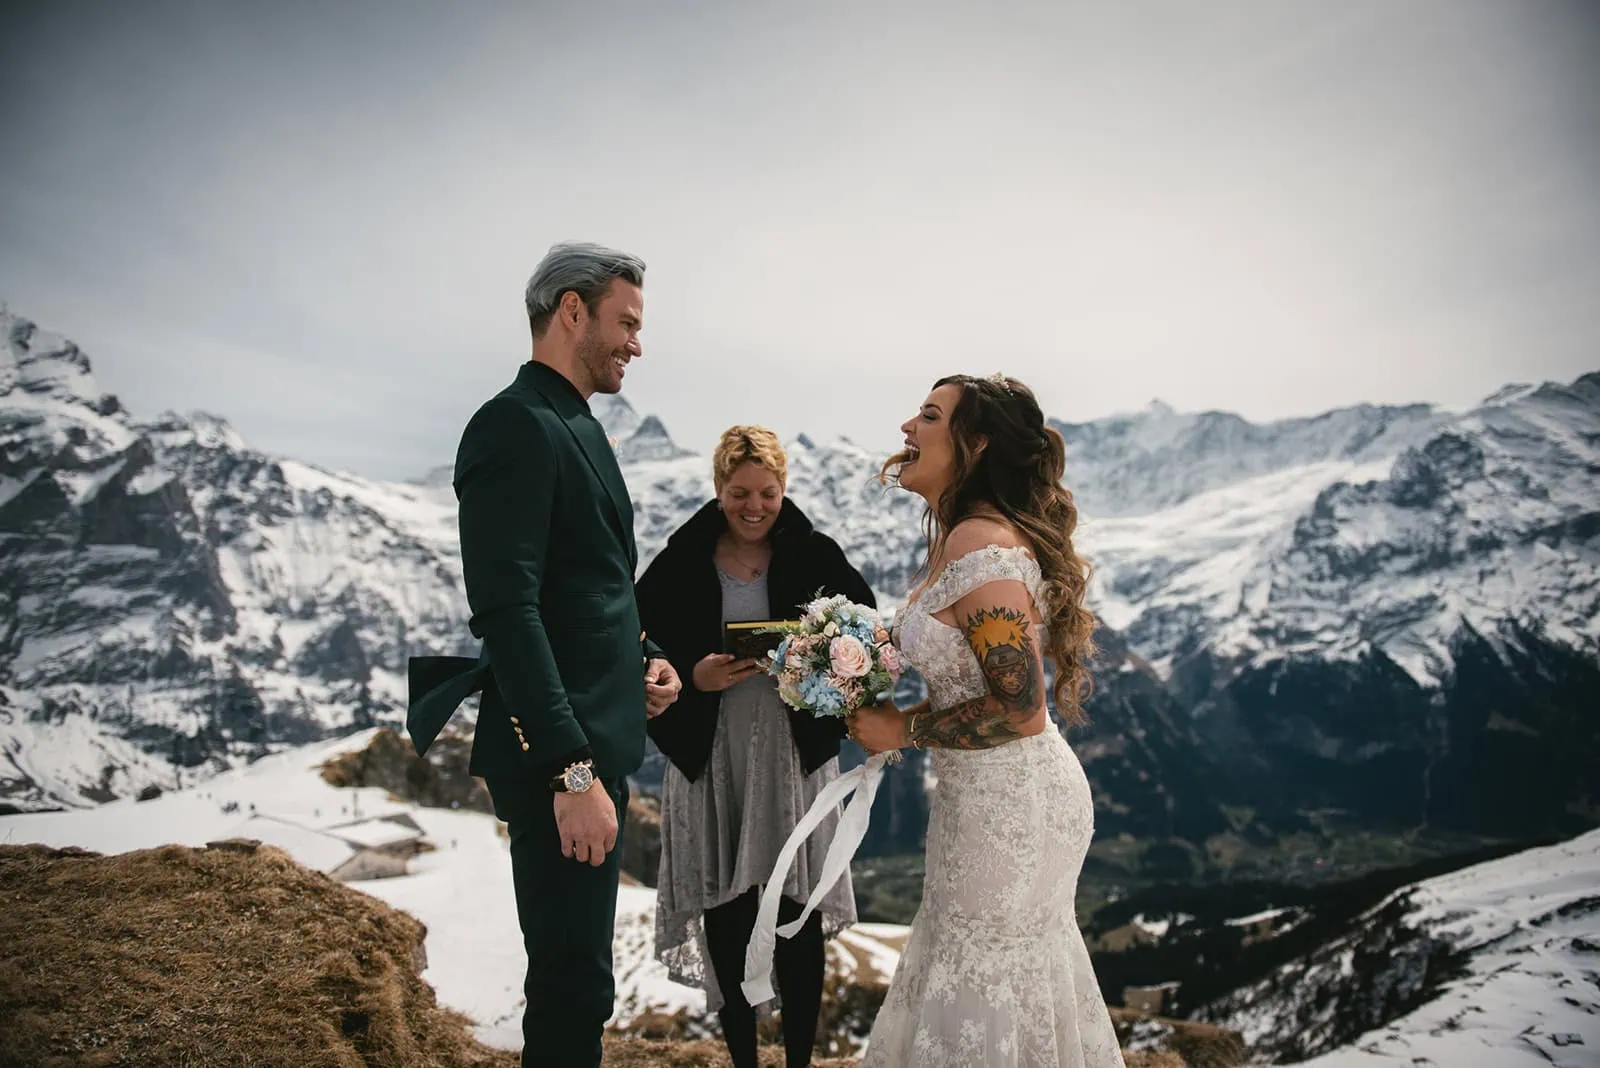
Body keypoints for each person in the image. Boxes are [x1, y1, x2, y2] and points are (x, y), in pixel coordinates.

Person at [405, 242, 682, 1068]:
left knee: (580, 984)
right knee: (570, 985)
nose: (637, 344)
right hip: (561, 758)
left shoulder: (574, 423)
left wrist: (646, 658)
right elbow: (508, 611)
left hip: (594, 744)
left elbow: (588, 588)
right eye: (626, 323)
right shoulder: (516, 424)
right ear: (571, 311)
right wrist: (570, 772)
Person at [849, 373, 1125, 1067]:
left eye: (928, 415)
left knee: (984, 971)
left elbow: (1020, 708)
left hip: (1014, 806)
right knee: (979, 969)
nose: (907, 428)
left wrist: (903, 731)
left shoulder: (978, 545)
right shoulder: (961, 539)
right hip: (983, 797)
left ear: (974, 445)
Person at [636, 425, 874, 1068]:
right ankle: (743, 1059)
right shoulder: (681, 559)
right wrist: (693, 676)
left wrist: (814, 667)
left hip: (794, 757)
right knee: (729, 910)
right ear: (718, 488)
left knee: (797, 910)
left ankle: (797, 1061)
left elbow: (865, 634)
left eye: (767, 493)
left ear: (783, 488)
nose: (754, 506)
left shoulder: (816, 553)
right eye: (739, 492)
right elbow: (636, 642)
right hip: (713, 755)